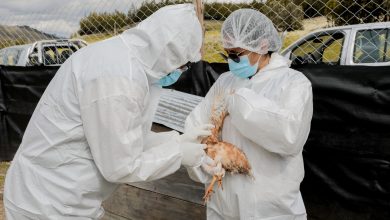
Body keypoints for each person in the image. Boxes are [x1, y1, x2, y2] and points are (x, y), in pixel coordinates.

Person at [4, 4, 218, 220]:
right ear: (168, 53)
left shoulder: (121, 60)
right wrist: (179, 154)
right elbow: (120, 166)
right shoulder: (118, 80)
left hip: (58, 192)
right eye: (182, 66)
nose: (181, 72)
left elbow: (127, 138)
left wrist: (176, 141)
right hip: (49, 201)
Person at [186, 9, 313, 220]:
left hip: (271, 208)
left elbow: (288, 136)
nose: (231, 60)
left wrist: (239, 102)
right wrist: (201, 159)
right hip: (224, 204)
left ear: (262, 46)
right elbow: (198, 125)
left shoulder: (293, 83)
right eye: (227, 54)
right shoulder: (225, 81)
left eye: (237, 54)